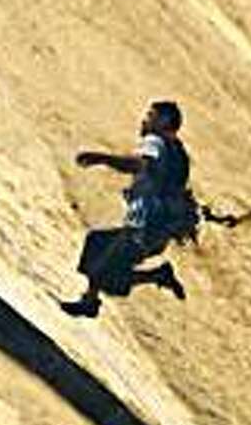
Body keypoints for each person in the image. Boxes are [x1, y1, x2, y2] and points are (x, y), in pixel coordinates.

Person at [59, 100, 196, 317]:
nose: (145, 120)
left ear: (164, 121)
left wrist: (100, 158)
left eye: (151, 115)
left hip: (145, 226)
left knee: (106, 271)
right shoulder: (178, 151)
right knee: (97, 244)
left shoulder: (156, 142)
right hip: (160, 227)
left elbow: (138, 164)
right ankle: (93, 298)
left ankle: (155, 276)